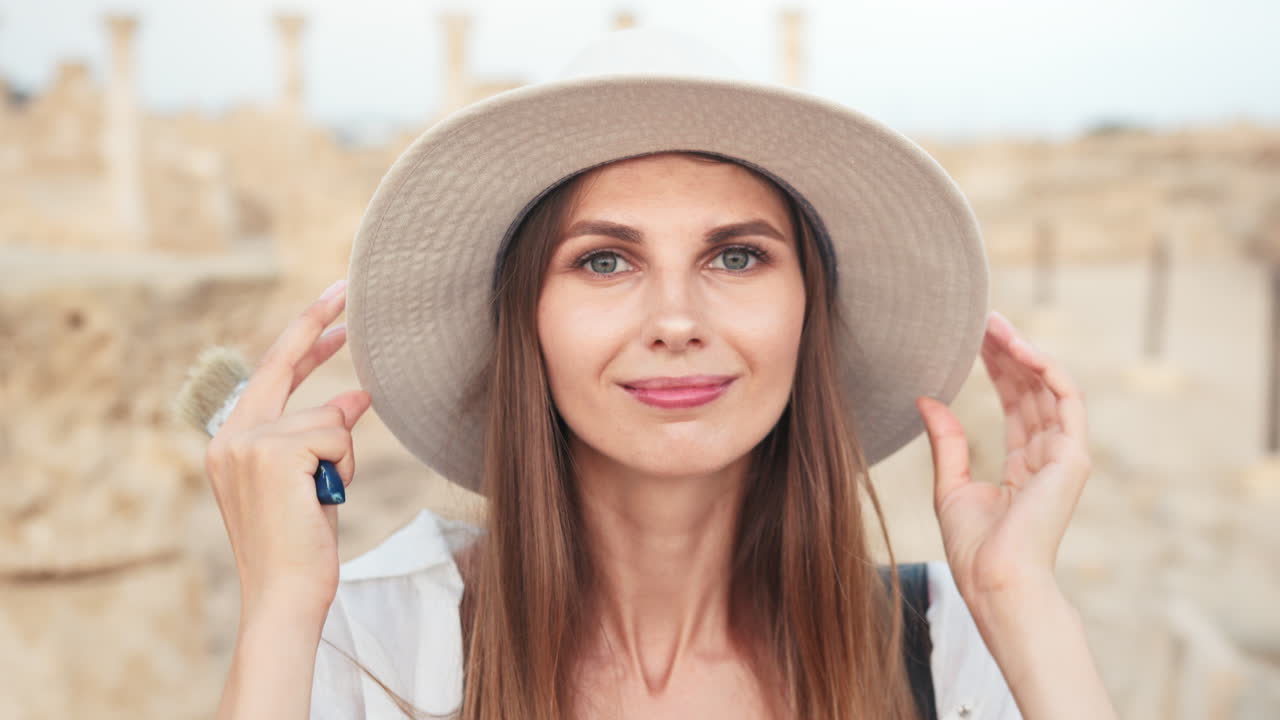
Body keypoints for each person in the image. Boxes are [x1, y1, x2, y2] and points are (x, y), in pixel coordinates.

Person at [205, 29, 1117, 720]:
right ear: (527, 320)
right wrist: (283, 607)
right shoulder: (375, 641)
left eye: (738, 258)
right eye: (604, 262)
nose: (677, 321)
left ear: (811, 310)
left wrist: (1019, 600)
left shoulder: (945, 642)